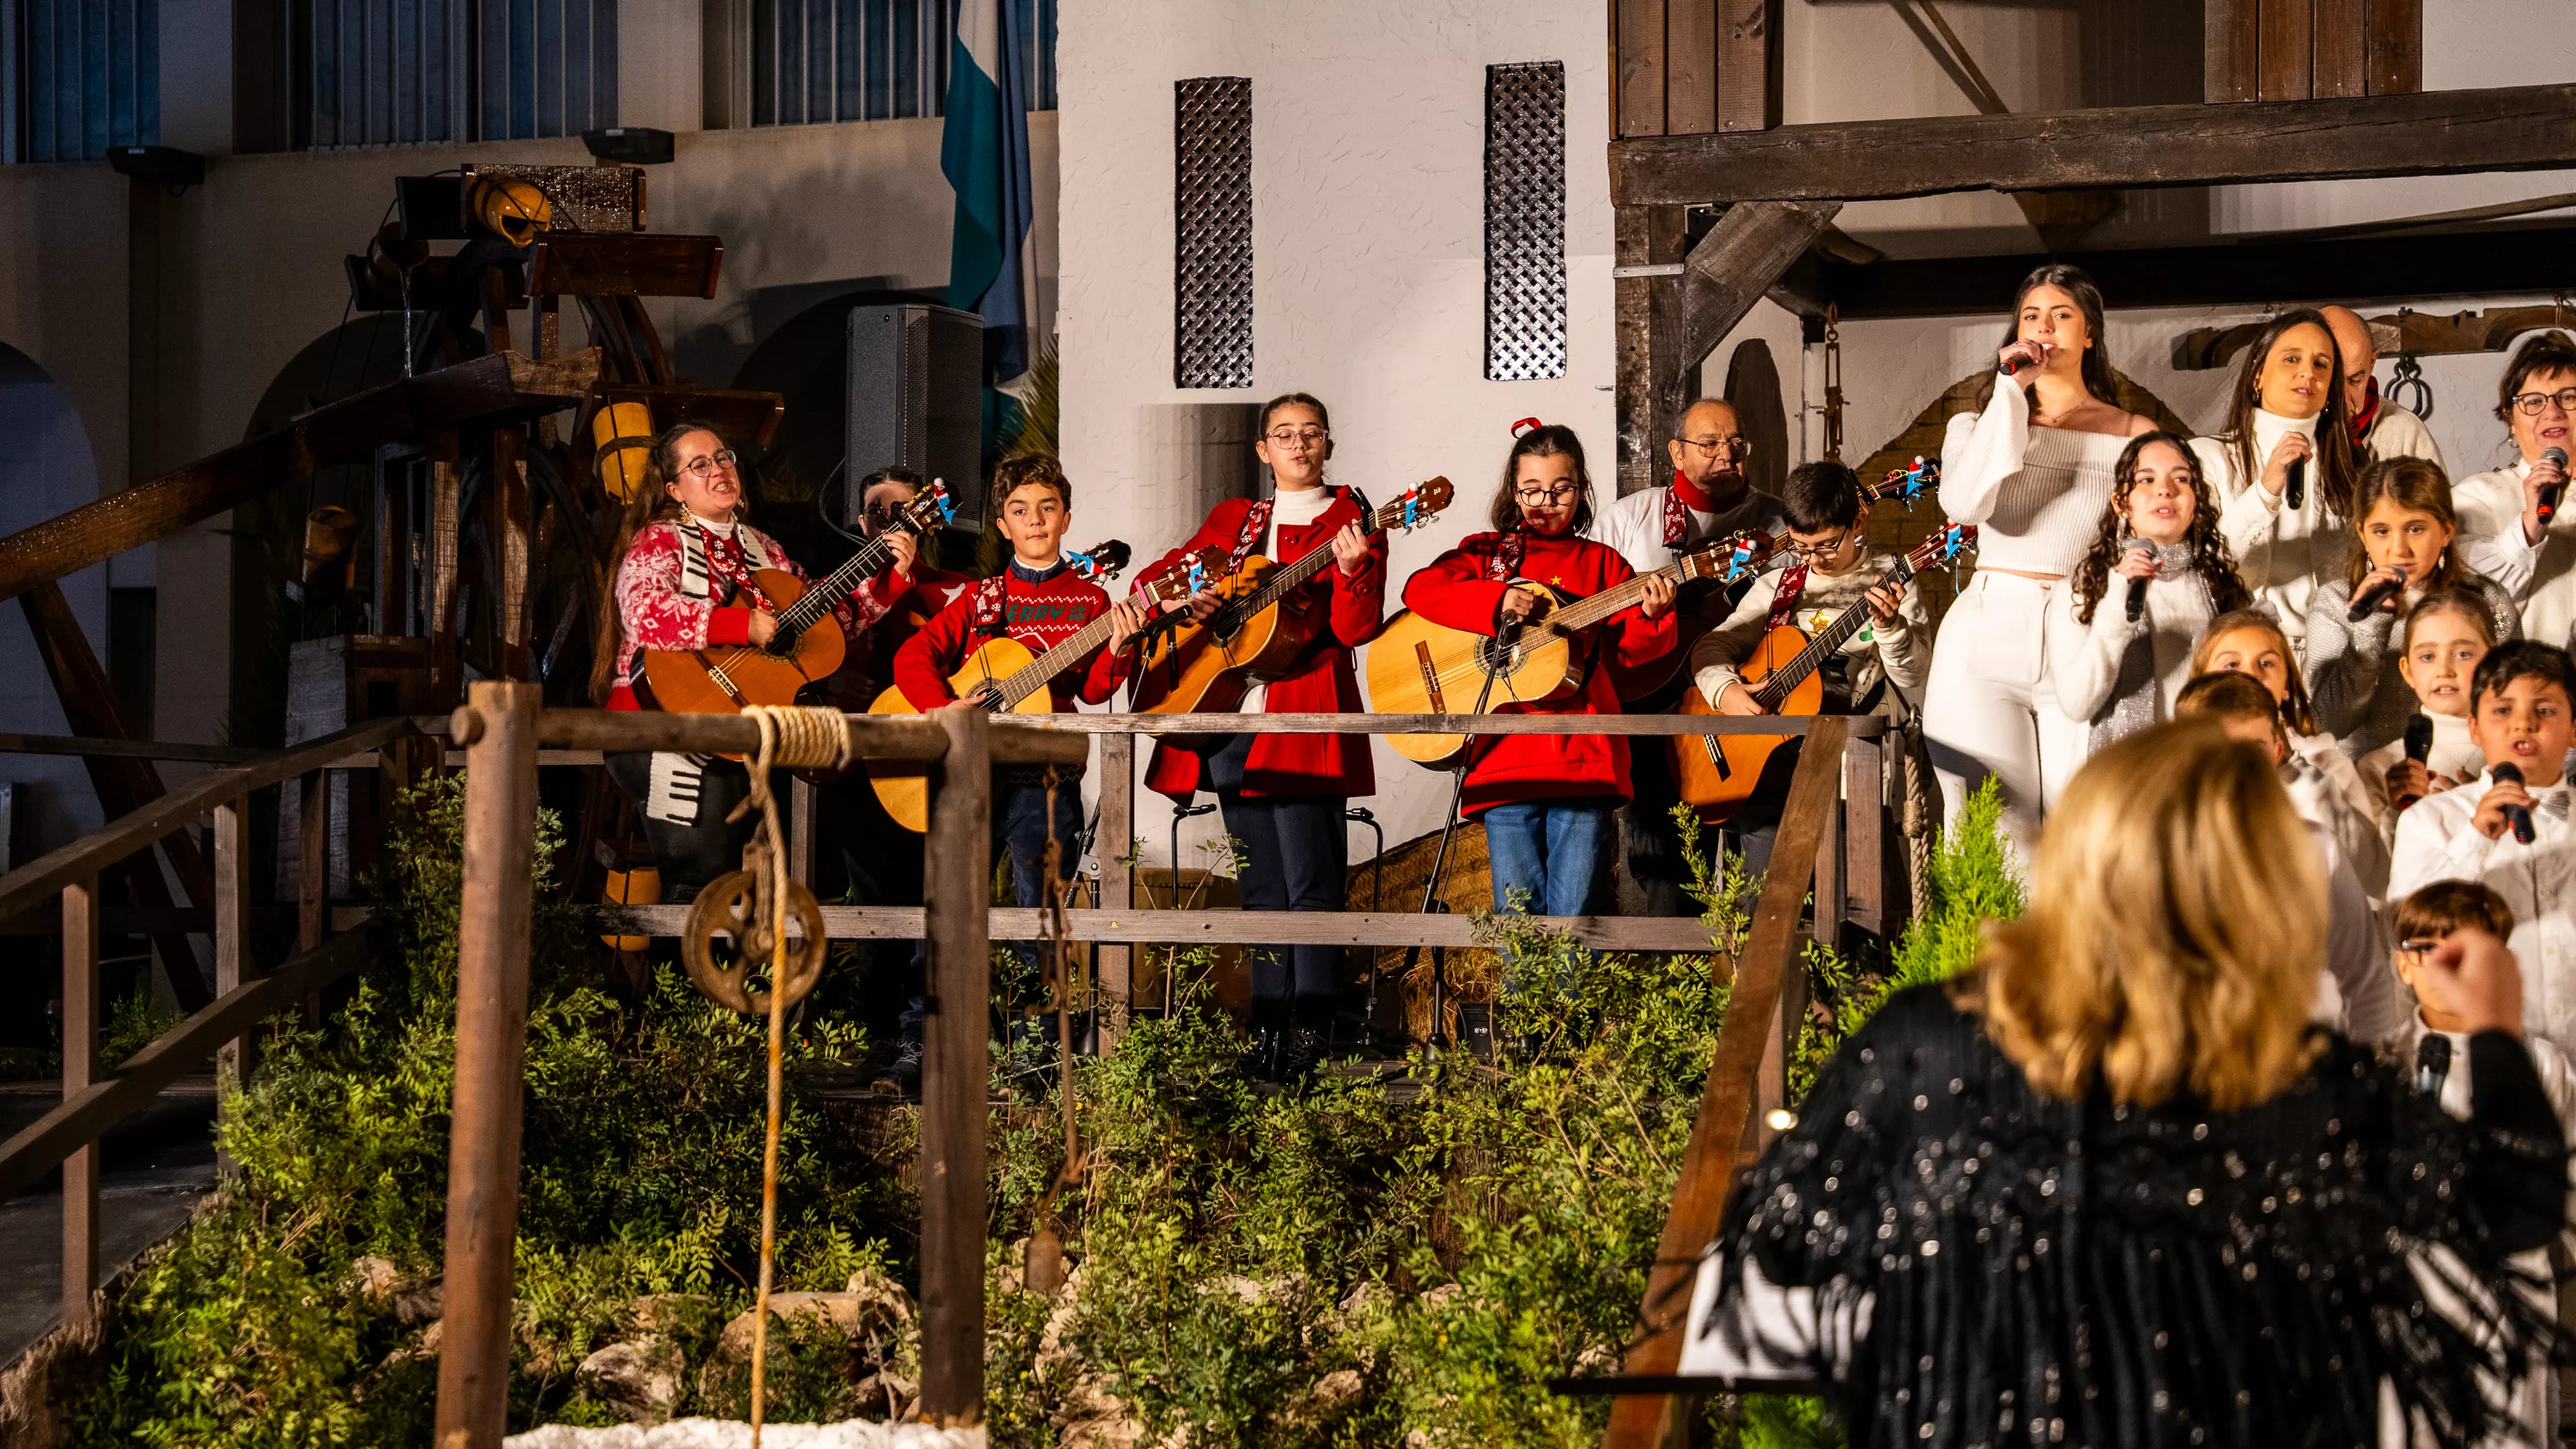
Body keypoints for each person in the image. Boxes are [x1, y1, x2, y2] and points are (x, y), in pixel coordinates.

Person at [1694, 720, 2567, 1449]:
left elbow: (1769, 1260)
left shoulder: (1930, 1038)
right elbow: (2510, 1211)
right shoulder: (2300, 1083)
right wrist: (2490, 1028)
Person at [1132, 392, 1384, 1083]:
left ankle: (1310, 1030)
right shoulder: (1234, 520)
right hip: (1234, 717)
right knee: (1261, 885)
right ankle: (1266, 1027)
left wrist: (1356, 568)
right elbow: (1160, 577)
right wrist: (1186, 598)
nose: (1298, 445)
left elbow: (1359, 628)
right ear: (1262, 449)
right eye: (1283, 434)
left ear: (1328, 444)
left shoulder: (1352, 521)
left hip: (1304, 715)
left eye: (1310, 434)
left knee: (1312, 883)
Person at [891, 455, 1149, 1046]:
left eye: (1047, 508)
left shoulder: (1089, 603)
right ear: (1001, 526)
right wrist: (945, 705)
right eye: (1018, 511)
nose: (1034, 520)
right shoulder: (981, 598)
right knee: (945, 903)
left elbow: (1092, 690)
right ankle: (926, 1039)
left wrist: (1119, 646)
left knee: (1041, 916)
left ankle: (1035, 1052)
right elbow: (913, 657)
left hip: (1048, 776)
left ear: (1065, 518)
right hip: (971, 774)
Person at [592, 423, 900, 900]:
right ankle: (680, 972)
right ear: (674, 489)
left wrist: (890, 574)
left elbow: (825, 622)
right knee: (699, 880)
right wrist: (740, 627)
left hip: (737, 735)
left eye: (724, 457)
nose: (719, 469)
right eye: (700, 464)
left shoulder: (764, 549)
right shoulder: (659, 541)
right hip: (658, 724)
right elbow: (644, 613)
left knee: (760, 882)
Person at [1399, 422, 1676, 931]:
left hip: (1583, 755)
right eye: (1531, 490)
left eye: (1561, 489)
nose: (1546, 502)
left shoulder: (1604, 564)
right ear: (1513, 490)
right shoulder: (1488, 554)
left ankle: (1565, 1014)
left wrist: (1652, 617)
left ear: (1582, 488)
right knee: (1515, 916)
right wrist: (1493, 599)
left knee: (1577, 913)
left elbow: (1631, 662)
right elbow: (1421, 590)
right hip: (1504, 755)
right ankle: (1522, 1012)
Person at [1924, 263, 2154, 859]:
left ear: (2089, 334)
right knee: (1992, 833)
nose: (2045, 328)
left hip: (2079, 626)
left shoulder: (2134, 435)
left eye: (2062, 315)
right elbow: (1964, 504)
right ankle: (1990, 956)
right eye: (2032, 316)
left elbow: (2156, 536)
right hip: (1986, 629)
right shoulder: (1976, 424)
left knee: (2088, 828)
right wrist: (2011, 390)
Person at [2386, 879, 2576, 1449]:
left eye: (2465, 951)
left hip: (2508, 1292)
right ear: (2403, 966)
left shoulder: (2538, 1064)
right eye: (2428, 949)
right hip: (2412, 1289)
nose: (2446, 966)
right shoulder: (2379, 1063)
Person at [1589, 397, 1786, 918]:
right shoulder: (1630, 520)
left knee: (1760, 861)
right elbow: (1589, 613)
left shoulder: (1778, 523)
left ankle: (1747, 984)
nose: (1727, 454)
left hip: (1750, 709)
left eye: (1736, 443)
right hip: (1656, 715)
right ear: (1676, 453)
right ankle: (1672, 982)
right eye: (1710, 443)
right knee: (1664, 863)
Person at [1687, 460, 1926, 874]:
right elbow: (1711, 646)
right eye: (1801, 546)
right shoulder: (1779, 585)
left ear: (1858, 520)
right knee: (1762, 902)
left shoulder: (1892, 580)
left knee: (1863, 894)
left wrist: (1889, 629)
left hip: (1856, 767)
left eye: (1827, 545)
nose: (1814, 559)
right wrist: (1725, 690)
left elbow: (1913, 676)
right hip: (1772, 775)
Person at [829, 464, 972, 1095]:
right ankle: (876, 1039)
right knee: (872, 910)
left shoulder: (960, 591)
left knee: (932, 903)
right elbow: (793, 657)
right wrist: (831, 682)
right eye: (878, 512)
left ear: (931, 518)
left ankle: (924, 1041)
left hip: (930, 773)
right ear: (863, 523)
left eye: (904, 510)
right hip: (862, 770)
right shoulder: (836, 595)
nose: (891, 522)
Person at [2173, 670, 2401, 1043]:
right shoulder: (2148, 851)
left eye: (2252, 752)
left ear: (2278, 751)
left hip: (2298, 1063)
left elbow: (2364, 976)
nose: (2235, 769)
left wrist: (2373, 1070)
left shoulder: (2314, 847)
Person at [2389, 640, 2576, 1054]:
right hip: (2487, 1060)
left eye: (2544, 711)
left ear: (2574, 728)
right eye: (2503, 710)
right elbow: (2406, 931)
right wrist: (2476, 839)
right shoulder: (2429, 820)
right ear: (2474, 727)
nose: (2522, 725)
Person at [2044, 432, 2252, 760]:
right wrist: (2116, 608)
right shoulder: (2081, 592)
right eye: (2146, 479)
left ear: (2196, 500)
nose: (2164, 489)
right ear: (2120, 503)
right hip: (2125, 782)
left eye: (2181, 478)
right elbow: (2077, 704)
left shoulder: (2220, 588)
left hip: (2209, 776)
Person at [2303, 457, 2519, 762]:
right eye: (2381, 531)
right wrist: (2369, 628)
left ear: (2446, 531)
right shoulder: (2337, 604)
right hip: (2366, 783)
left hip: (2462, 777)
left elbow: (2514, 706)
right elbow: (2326, 725)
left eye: (2415, 529)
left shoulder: (2486, 600)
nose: (2399, 549)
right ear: (2362, 535)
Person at [2192, 307, 2365, 653]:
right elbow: (2198, 569)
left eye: (2321, 364)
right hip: (2245, 654)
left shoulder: (2352, 467)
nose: (2307, 373)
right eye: (2291, 359)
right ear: (2257, 374)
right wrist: (2264, 494)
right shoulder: (2207, 457)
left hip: (2332, 657)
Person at [2193, 608, 2389, 897]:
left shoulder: (2325, 763)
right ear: (2203, 681)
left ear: (2286, 685)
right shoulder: (2181, 764)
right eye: (2232, 664)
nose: (2251, 674)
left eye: (2266, 663)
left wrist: (2299, 777)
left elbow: (2359, 869)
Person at [2451, 331, 2576, 645]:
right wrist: (2530, 526)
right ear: (2509, 418)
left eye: (2569, 397)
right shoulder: (2476, 497)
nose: (2552, 412)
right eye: (2533, 401)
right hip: (2524, 688)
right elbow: (2469, 607)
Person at [2356, 589, 2499, 826]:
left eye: (2463, 654)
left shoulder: (2518, 755)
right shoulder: (2380, 767)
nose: (2444, 670)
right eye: (2427, 657)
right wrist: (2400, 811)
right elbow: (2372, 860)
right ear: (2408, 671)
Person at [2321, 304, 2446, 470]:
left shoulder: (2405, 432)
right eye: (2332, 384)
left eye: (2356, 380)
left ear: (2372, 363)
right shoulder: (2280, 428)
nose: (2346, 402)